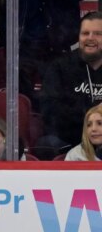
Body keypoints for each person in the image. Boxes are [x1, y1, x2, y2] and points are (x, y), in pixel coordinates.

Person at [39, 12, 102, 156]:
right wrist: (88, 118)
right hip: (69, 138)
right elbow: (50, 110)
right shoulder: (59, 67)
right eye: (85, 33)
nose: (90, 38)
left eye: (98, 33)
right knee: (46, 144)